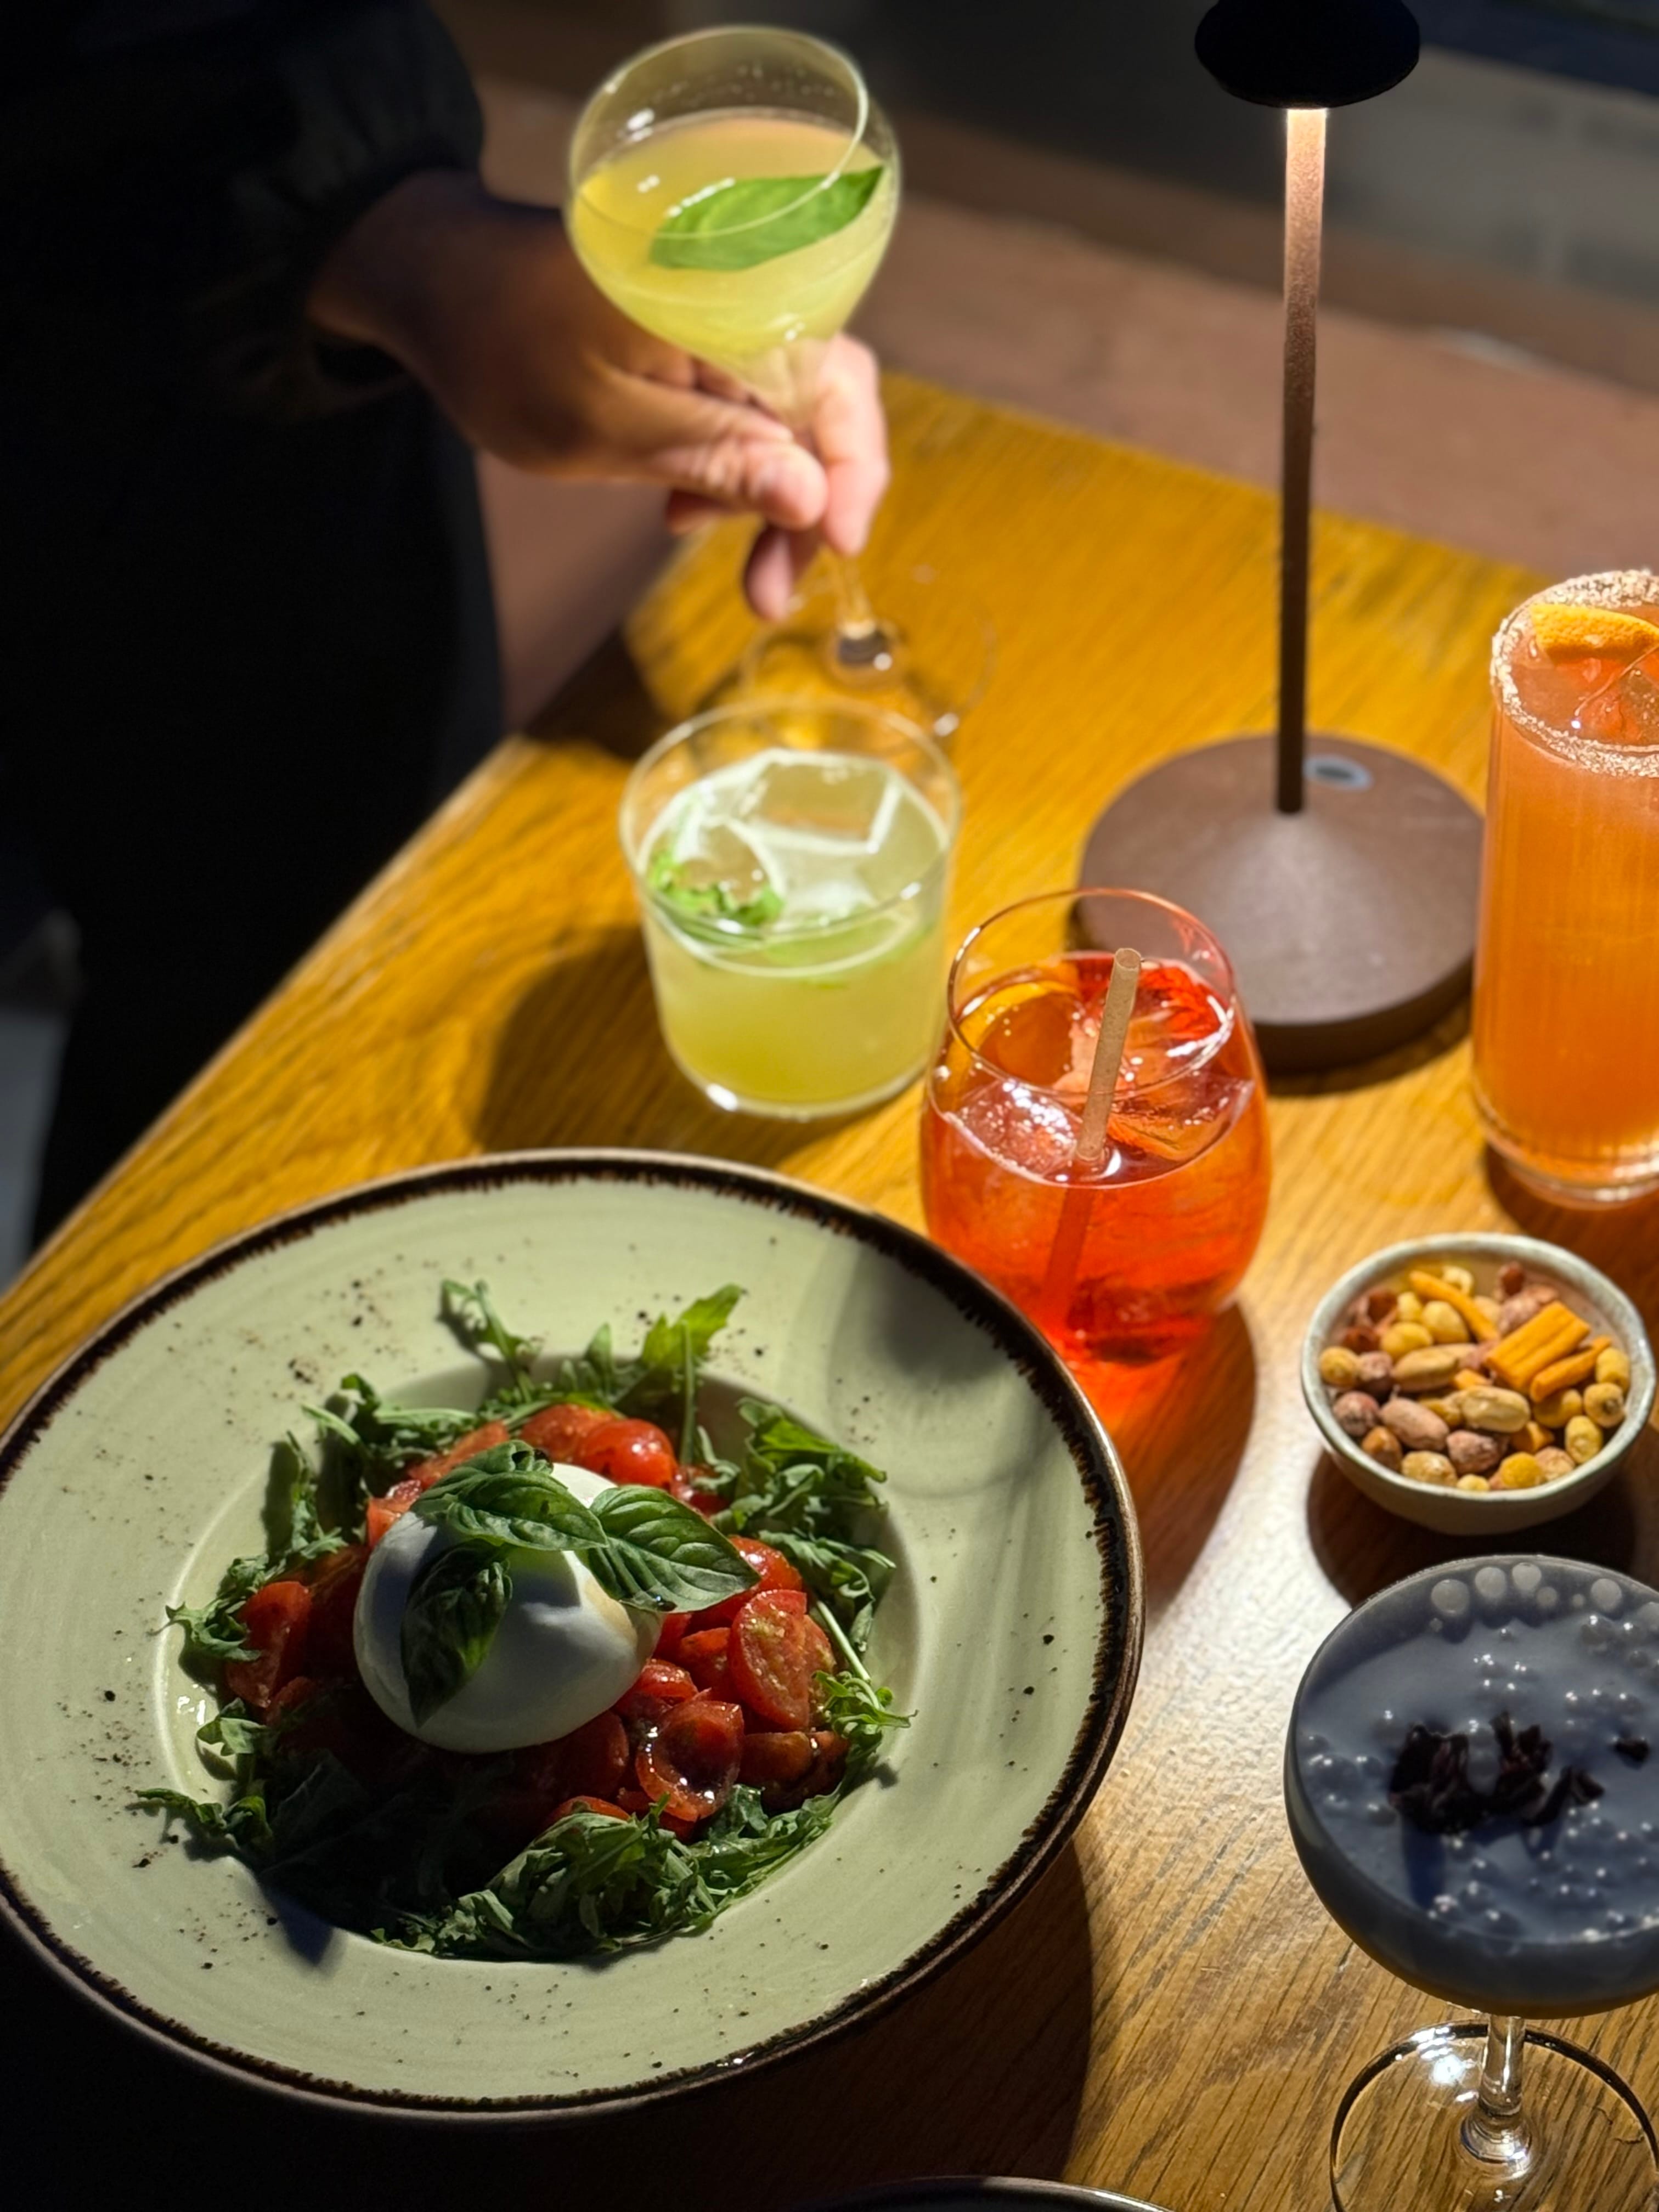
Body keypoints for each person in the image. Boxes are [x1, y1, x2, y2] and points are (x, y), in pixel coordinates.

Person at [0, 3, 889, 1238]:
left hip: (271, 372)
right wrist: (400, 244)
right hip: (100, 344)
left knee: (335, 930)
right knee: (209, 1016)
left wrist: (403, 245)